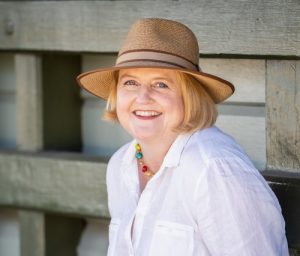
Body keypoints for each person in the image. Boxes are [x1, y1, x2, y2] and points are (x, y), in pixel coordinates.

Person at [77, 18, 288, 256]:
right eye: (131, 82)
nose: (143, 97)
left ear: (190, 96)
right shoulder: (121, 163)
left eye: (161, 84)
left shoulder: (214, 169)